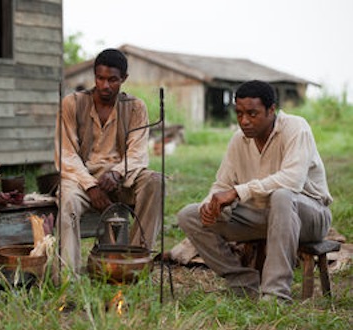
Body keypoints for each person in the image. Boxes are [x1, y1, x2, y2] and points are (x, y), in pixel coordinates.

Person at [176, 80, 332, 302]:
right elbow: (222, 184)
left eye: (252, 113)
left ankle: (275, 294)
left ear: (271, 110)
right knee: (190, 215)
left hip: (309, 216)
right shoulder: (239, 140)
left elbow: (292, 180)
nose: (244, 121)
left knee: (282, 195)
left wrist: (238, 192)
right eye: (239, 113)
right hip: (262, 216)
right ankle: (243, 282)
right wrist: (210, 204)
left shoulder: (296, 128)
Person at [55, 48, 162, 274]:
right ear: (94, 76)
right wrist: (91, 185)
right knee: (67, 202)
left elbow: (138, 152)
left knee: (155, 181)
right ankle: (68, 277)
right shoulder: (72, 103)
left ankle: (134, 263)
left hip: (121, 180)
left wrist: (117, 172)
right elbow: (67, 154)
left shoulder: (135, 107)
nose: (105, 86)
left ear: (123, 79)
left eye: (112, 80)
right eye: (100, 78)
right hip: (81, 180)